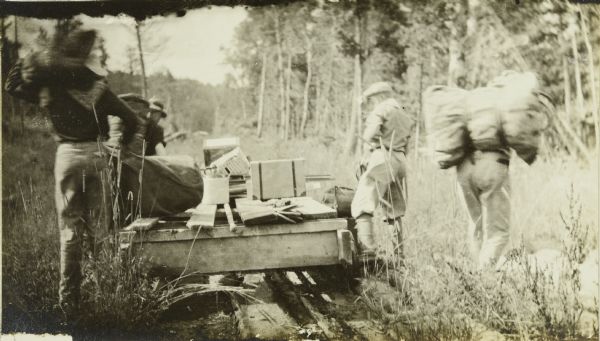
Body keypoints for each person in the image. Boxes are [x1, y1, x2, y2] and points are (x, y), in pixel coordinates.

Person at [4, 29, 139, 317]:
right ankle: (103, 289)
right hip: (97, 155)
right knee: (98, 227)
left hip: (66, 157)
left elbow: (11, 84)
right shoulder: (100, 90)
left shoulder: (49, 89)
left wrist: (31, 57)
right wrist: (119, 147)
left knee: (69, 231)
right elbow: (132, 118)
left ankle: (69, 301)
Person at [350, 82, 415, 262]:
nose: (371, 104)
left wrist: (364, 157)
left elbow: (369, 136)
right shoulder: (403, 112)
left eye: (371, 100)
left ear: (378, 97)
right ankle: (399, 256)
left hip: (382, 157)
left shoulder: (381, 110)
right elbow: (407, 145)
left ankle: (368, 252)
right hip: (400, 160)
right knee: (394, 211)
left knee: (362, 204)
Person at [456, 147, 510, 270]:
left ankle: (474, 275)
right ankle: (483, 278)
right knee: (497, 233)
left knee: (475, 225)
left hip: (464, 165)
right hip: (492, 162)